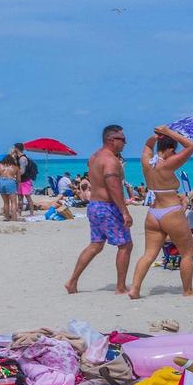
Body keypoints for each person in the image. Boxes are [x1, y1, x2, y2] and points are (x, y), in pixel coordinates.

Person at [128, 126, 193, 299]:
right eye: (173, 150)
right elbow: (191, 146)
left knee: (149, 254)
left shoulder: (147, 161)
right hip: (171, 212)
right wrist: (168, 132)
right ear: (169, 149)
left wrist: (156, 137)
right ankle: (187, 291)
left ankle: (135, 289)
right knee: (187, 253)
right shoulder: (167, 164)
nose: (175, 153)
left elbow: (147, 145)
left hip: (153, 213)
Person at [65, 125, 133, 294]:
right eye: (122, 140)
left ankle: (72, 282)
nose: (125, 143)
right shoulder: (110, 160)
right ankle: (121, 287)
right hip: (107, 207)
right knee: (125, 245)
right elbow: (114, 187)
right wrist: (124, 211)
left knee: (96, 245)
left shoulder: (94, 157)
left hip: (94, 206)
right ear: (111, 140)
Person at [0, 156, 20, 220]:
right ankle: (14, 218)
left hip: (1, 182)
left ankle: (7, 217)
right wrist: (18, 187)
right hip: (11, 181)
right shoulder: (16, 167)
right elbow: (18, 179)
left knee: (5, 202)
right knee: (13, 202)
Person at [15, 143, 36, 217]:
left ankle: (31, 213)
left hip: (25, 181)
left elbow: (22, 171)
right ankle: (19, 213)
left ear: (16, 149)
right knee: (20, 198)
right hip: (20, 181)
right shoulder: (18, 158)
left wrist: (14, 175)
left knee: (28, 198)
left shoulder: (22, 158)